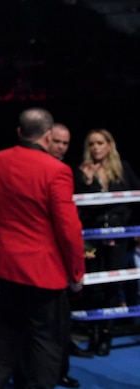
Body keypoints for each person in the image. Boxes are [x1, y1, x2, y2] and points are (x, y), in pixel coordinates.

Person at [0, 107, 86, 389]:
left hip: (4, 261)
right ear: (49, 136)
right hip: (42, 268)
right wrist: (77, 271)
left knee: (7, 327)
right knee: (45, 336)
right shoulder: (57, 170)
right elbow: (69, 228)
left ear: (20, 132)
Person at [73, 128, 140, 356]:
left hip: (119, 237)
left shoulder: (123, 169)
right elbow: (78, 208)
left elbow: (134, 199)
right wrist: (89, 182)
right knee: (92, 286)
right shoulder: (81, 172)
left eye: (100, 143)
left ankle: (105, 334)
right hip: (91, 236)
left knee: (113, 285)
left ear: (109, 145)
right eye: (91, 144)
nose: (95, 148)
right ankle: (92, 332)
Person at [45, 121, 92, 389]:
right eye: (57, 142)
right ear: (47, 138)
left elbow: (72, 219)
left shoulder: (69, 171)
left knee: (61, 318)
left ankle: (61, 366)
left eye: (66, 143)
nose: (61, 148)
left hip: (69, 251)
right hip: (48, 257)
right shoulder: (48, 170)